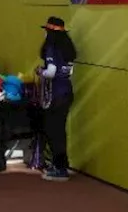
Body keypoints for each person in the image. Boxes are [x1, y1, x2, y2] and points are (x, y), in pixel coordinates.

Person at [38, 16, 78, 182]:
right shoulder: (68, 49)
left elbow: (51, 72)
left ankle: (59, 167)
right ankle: (61, 164)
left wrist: (40, 72)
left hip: (55, 94)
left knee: (54, 131)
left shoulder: (51, 49)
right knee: (60, 131)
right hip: (66, 91)